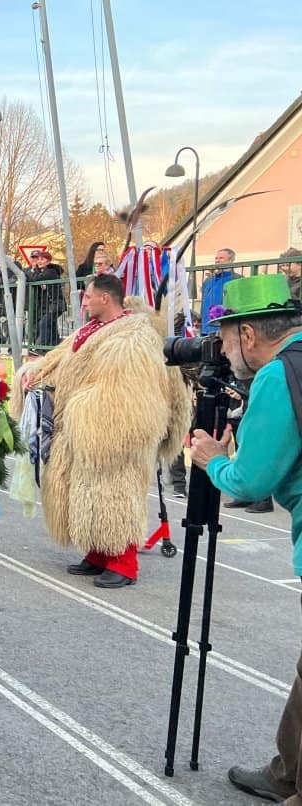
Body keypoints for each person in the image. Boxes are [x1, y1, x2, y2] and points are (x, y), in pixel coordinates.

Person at [185, 275, 302, 805]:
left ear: (249, 334)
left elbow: (252, 479)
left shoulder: (280, 376)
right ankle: (286, 772)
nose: (224, 351)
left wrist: (215, 460)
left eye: (226, 338)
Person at [17, 273, 189, 588]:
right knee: (88, 493)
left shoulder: (133, 336)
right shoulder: (90, 330)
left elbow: (131, 393)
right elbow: (58, 360)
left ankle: (124, 563)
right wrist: (34, 374)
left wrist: (87, 410)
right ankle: (98, 552)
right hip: (79, 429)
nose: (83, 302)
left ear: (105, 298)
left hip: (112, 435)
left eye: (87, 296)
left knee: (116, 494)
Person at [28, 249, 67, 349]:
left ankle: (42, 347)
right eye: (38, 259)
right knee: (51, 325)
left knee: (44, 322)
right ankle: (55, 346)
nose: (39, 261)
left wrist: (34, 270)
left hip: (56, 304)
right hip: (49, 305)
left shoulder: (51, 272)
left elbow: (35, 279)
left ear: (48, 261)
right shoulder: (42, 272)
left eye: (42, 259)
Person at [200, 247, 240, 336]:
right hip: (205, 329)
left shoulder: (236, 280)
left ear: (231, 260)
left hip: (224, 329)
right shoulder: (208, 281)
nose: (217, 261)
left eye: (221, 258)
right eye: (216, 258)